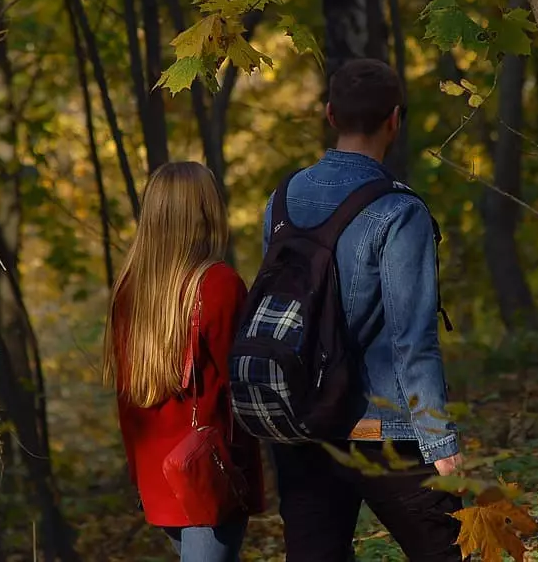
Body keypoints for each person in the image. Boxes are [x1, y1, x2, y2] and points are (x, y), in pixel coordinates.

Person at [262, 58, 463, 562]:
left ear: (330, 114)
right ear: (395, 119)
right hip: (382, 428)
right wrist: (440, 443)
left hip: (303, 424)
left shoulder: (280, 200)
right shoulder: (400, 210)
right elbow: (412, 340)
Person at [103, 161, 264, 562]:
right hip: (209, 472)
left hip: (159, 476)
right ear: (206, 212)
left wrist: (138, 474)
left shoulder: (131, 289)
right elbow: (238, 388)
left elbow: (128, 401)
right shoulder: (219, 284)